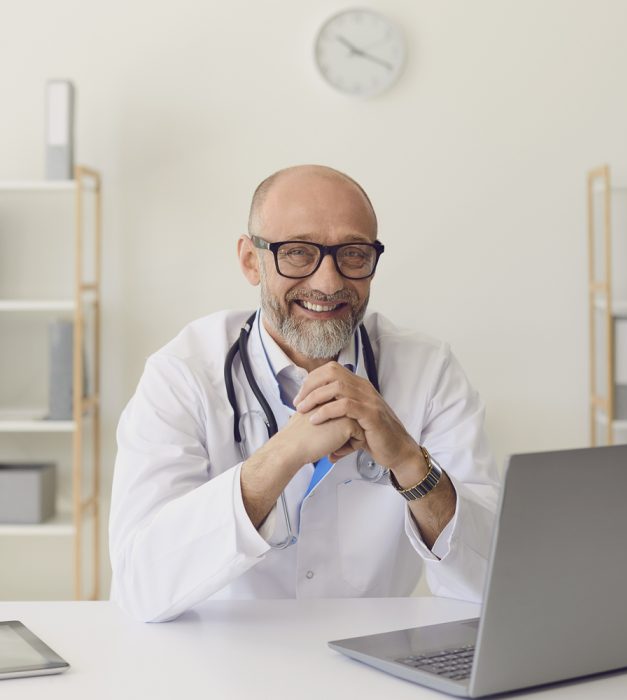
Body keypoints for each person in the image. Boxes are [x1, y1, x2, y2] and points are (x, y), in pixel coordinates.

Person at [109, 164, 500, 623]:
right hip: (221, 662)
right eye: (298, 253)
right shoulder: (183, 374)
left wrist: (411, 463)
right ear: (251, 260)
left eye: (353, 254)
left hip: (372, 658)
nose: (329, 282)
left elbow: (488, 577)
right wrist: (283, 455)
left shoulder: (428, 371)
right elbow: (139, 585)